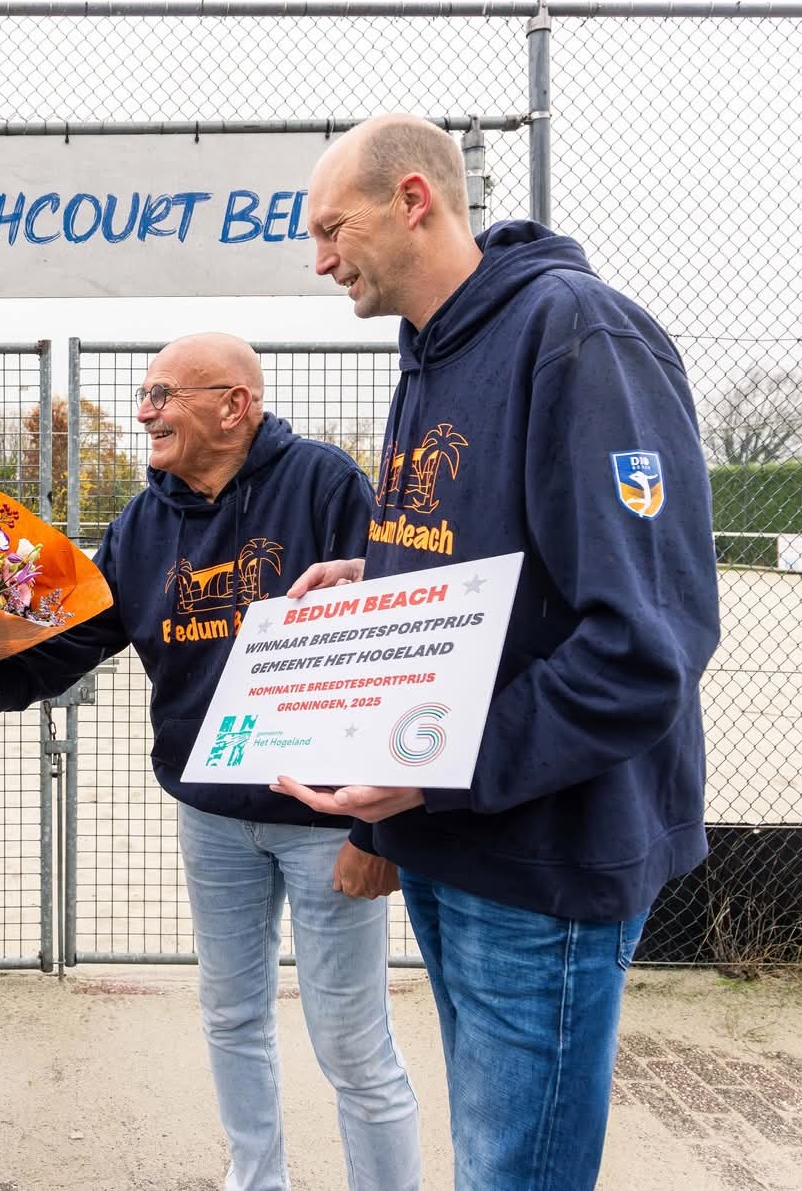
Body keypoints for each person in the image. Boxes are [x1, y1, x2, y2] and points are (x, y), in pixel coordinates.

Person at [275, 115, 721, 1190]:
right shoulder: (431, 354)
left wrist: (430, 762)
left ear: (413, 199)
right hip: (451, 834)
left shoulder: (579, 336)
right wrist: (374, 577)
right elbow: (499, 563)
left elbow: (644, 644)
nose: (320, 260)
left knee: (510, 1172)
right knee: (486, 1154)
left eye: (332, 229)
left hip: (542, 857)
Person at [0, 332, 422, 1191]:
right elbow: (79, 637)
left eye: (162, 395)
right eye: (143, 396)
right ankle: (256, 1181)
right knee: (231, 1014)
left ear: (233, 405)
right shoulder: (141, 525)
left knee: (352, 1043)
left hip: (324, 818)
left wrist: (378, 831)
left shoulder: (325, 485)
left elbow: (394, 645)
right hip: (211, 816)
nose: (144, 413)